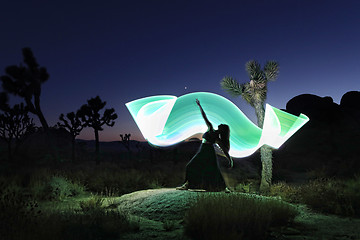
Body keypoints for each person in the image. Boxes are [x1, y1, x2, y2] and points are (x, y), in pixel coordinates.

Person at [176, 99, 233, 192]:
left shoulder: (217, 138)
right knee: (192, 166)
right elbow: (204, 116)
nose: (220, 124)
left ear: (222, 130)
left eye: (222, 125)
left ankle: (224, 188)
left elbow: (225, 150)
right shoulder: (210, 128)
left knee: (213, 170)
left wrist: (230, 160)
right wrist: (200, 106)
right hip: (203, 150)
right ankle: (187, 184)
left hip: (208, 152)